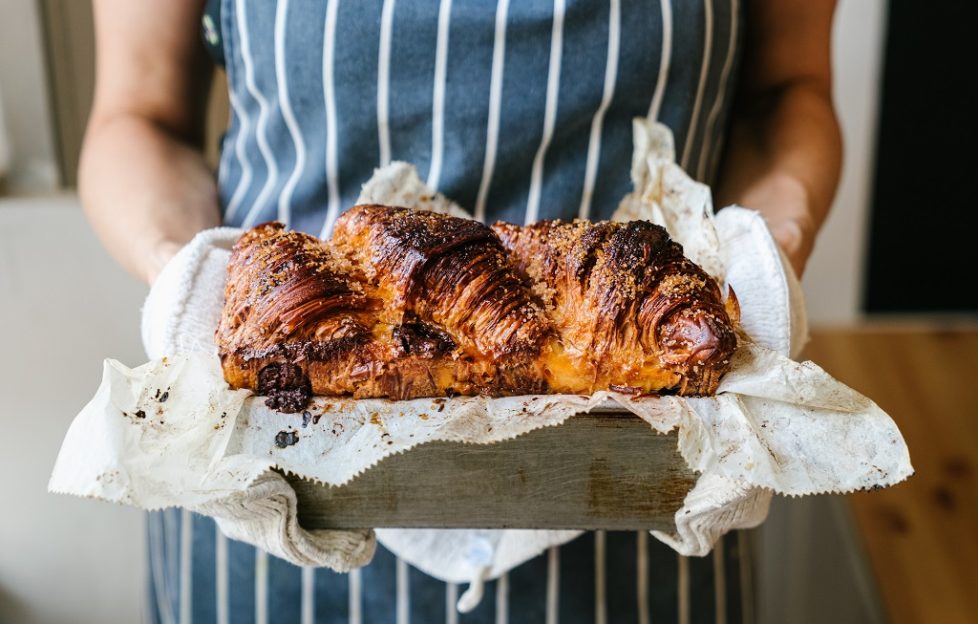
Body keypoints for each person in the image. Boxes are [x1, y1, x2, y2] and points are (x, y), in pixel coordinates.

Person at [80, 0, 841, 621]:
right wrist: (184, 277)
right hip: (273, 485)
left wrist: (771, 254)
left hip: (650, 512)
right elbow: (137, 114)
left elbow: (789, 91)